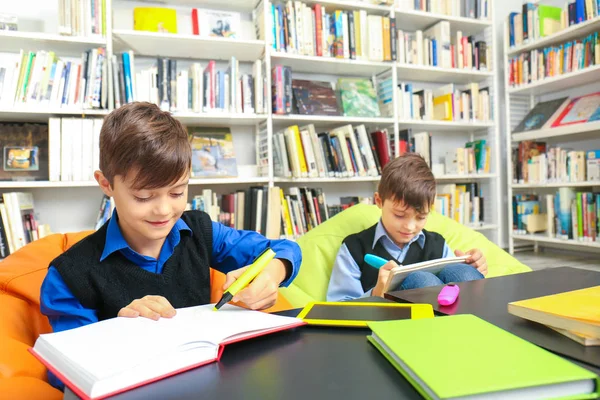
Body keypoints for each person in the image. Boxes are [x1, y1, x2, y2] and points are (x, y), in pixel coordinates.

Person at [40, 102, 302, 389]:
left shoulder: (200, 232)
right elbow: (62, 373)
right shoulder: (69, 276)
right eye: (143, 197)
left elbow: (284, 249)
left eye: (178, 191)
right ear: (106, 184)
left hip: (213, 387)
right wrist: (119, 328)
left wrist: (273, 273)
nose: (164, 210)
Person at [327, 153, 486, 301]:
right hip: (387, 323)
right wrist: (377, 294)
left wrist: (473, 266)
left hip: (450, 318)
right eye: (399, 215)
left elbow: (455, 287)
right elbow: (339, 307)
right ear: (379, 201)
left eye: (421, 217)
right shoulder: (354, 248)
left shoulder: (437, 244)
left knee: (464, 273)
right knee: (422, 280)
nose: (410, 227)